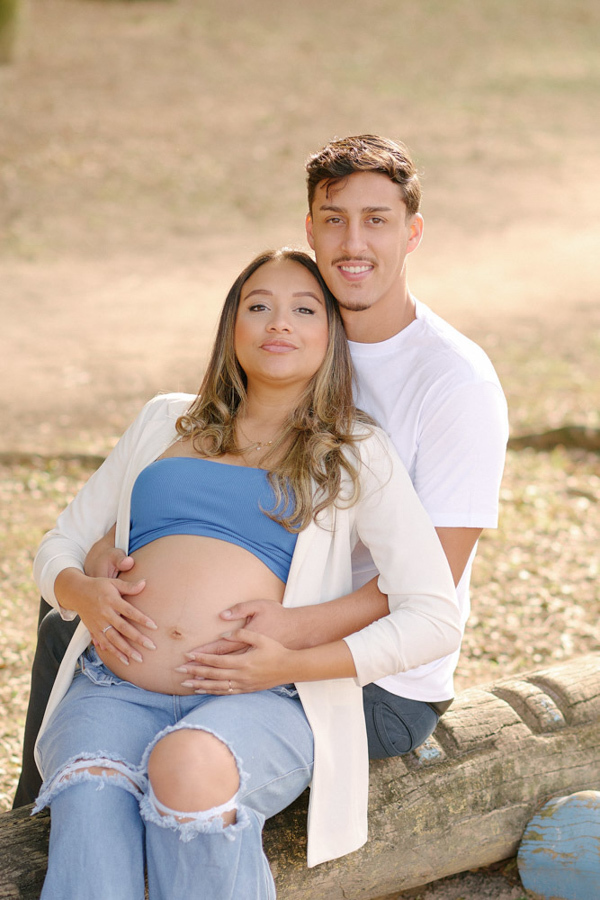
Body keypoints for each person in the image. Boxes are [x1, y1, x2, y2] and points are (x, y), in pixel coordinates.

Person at [14, 134, 508, 807]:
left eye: (377, 220)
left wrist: (287, 633)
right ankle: (36, 828)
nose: (352, 242)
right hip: (264, 617)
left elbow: (432, 584)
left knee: (175, 753)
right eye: (334, 220)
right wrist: (115, 547)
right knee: (65, 615)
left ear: (412, 232)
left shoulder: (453, 381)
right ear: (310, 228)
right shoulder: (295, 335)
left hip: (368, 677)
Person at [31, 248, 460, 897]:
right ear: (232, 327)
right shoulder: (163, 421)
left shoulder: (355, 450)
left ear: (330, 336)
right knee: (92, 805)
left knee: (190, 766)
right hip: (114, 686)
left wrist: (288, 662)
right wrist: (83, 593)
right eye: (257, 306)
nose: (278, 323)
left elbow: (433, 615)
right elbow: (59, 543)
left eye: (303, 309)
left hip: (265, 696)